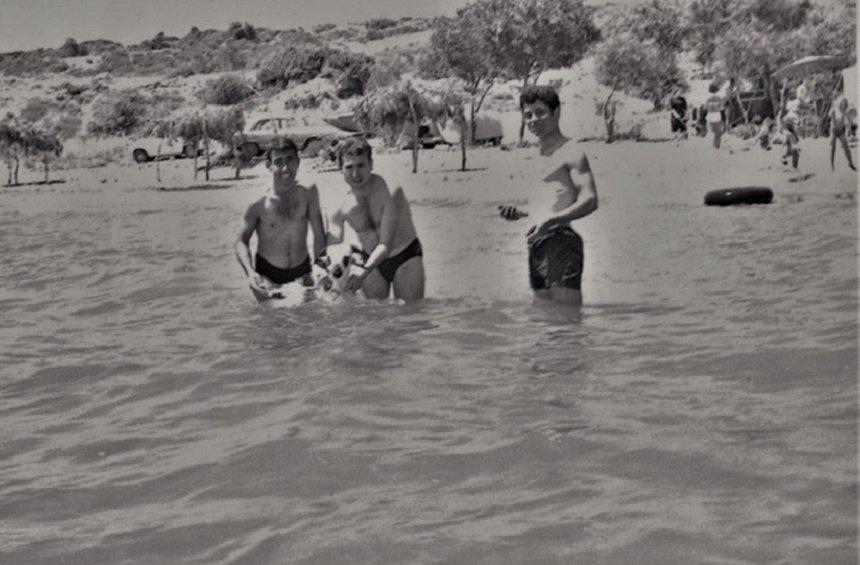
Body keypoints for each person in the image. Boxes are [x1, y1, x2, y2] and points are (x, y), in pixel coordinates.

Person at [498, 85, 598, 306]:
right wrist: (521, 214)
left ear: (557, 112)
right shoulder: (535, 155)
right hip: (537, 244)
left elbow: (590, 199)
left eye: (541, 112)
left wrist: (551, 220)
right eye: (528, 115)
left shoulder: (571, 150)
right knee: (543, 320)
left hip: (561, 242)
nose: (534, 119)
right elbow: (551, 204)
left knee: (567, 320)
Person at [326, 136, 425, 302]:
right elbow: (333, 247)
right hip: (371, 263)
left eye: (361, 165)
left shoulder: (389, 191)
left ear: (371, 164)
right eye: (349, 167)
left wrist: (362, 273)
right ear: (340, 169)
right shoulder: (338, 204)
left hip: (404, 255)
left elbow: (385, 244)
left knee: (411, 317)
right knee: (375, 320)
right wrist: (330, 278)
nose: (356, 173)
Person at [235, 136, 328, 301]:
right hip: (268, 276)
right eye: (278, 162)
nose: (285, 168)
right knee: (271, 324)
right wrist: (250, 273)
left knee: (309, 323)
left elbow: (319, 235)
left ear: (298, 162)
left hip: (303, 271)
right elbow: (241, 241)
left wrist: (318, 269)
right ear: (268, 166)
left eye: (290, 160)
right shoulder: (258, 204)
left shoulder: (308, 194)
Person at [828, 92, 857, 171]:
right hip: (834, 130)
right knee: (832, 148)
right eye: (842, 104)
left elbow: (850, 120)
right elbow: (832, 119)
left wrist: (851, 128)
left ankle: (850, 163)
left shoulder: (845, 112)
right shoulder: (835, 110)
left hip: (840, 130)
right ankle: (832, 165)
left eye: (845, 104)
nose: (843, 105)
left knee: (846, 147)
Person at [704, 83, 726, 149]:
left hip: (710, 116)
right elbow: (722, 109)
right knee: (718, 132)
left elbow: (705, 109)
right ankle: (716, 146)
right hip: (717, 116)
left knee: (713, 131)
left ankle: (713, 146)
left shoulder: (707, 98)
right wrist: (724, 120)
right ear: (716, 90)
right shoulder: (718, 98)